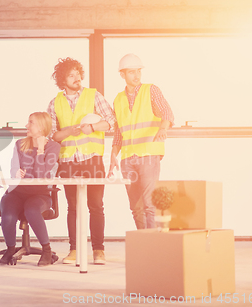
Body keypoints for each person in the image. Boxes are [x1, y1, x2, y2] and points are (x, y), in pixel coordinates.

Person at [46, 57, 115, 265]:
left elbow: (111, 121)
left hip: (92, 159)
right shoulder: (54, 103)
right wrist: (67, 131)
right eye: (71, 75)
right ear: (62, 79)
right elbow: (52, 136)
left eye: (78, 73)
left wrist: (92, 128)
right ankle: (75, 250)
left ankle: (98, 250)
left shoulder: (94, 96)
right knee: (73, 207)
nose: (76, 78)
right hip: (68, 161)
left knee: (96, 205)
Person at [107, 54, 175, 229]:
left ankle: (152, 245)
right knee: (135, 208)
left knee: (149, 205)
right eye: (131, 72)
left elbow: (167, 113)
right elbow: (118, 132)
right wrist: (113, 156)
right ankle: (142, 242)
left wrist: (163, 129)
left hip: (148, 155)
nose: (136, 76)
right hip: (128, 159)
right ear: (122, 75)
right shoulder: (118, 99)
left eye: (138, 71)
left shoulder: (151, 90)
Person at [0, 112, 61, 266]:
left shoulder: (53, 147)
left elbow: (41, 175)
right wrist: (16, 173)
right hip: (18, 192)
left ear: (41, 126)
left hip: (40, 194)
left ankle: (46, 250)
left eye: (31, 122)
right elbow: (13, 170)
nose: (27, 126)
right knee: (7, 214)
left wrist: (40, 150)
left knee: (32, 210)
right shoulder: (20, 144)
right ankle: (10, 249)